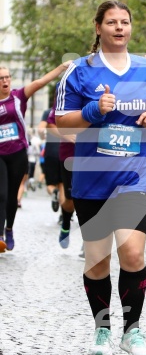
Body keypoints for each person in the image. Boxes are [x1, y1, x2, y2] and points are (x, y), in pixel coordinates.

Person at [56, 0, 146, 355]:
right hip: (92, 178)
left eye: (125, 22)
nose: (119, 28)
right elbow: (61, 119)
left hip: (133, 177)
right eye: (112, 22)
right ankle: (102, 328)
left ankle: (133, 330)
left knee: (133, 253)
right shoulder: (79, 71)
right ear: (98, 28)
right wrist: (93, 111)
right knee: (97, 262)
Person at [0, 62, 70, 252]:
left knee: (12, 196)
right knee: (1, 194)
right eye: (1, 78)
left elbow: (40, 82)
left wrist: (61, 67)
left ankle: (9, 229)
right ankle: (0, 235)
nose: (5, 81)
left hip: (18, 153)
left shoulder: (18, 96)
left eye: (7, 77)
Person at [46, 98, 76, 249]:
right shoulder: (66, 91)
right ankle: (65, 222)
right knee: (71, 200)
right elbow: (50, 124)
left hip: (94, 155)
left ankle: (90, 240)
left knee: (90, 198)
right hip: (69, 155)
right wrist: (65, 135)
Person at [38, 108, 62, 215]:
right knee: (63, 184)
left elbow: (40, 130)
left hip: (51, 151)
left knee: (51, 184)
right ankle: (64, 215)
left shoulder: (48, 112)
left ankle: (53, 192)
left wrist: (43, 136)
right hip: (66, 151)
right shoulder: (70, 111)